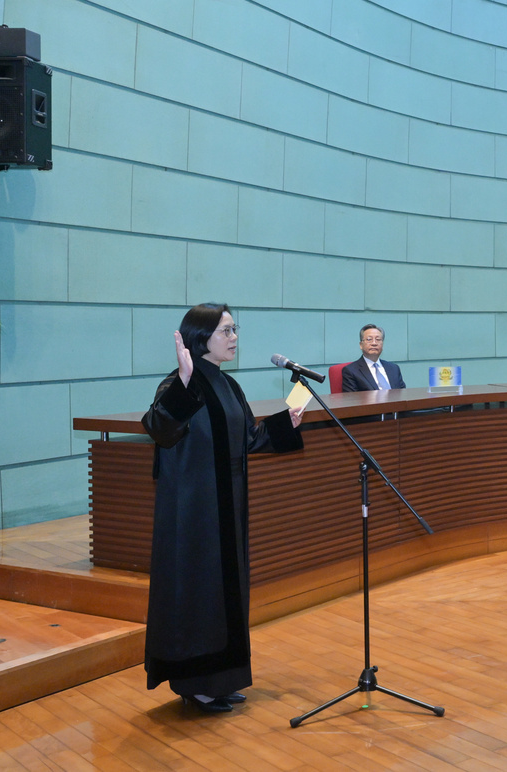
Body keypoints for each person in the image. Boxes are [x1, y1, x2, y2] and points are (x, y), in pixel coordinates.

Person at [142, 303, 304, 714]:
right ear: (201, 337)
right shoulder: (179, 382)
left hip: (227, 507)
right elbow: (159, 428)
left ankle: (222, 679)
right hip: (193, 513)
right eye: (226, 331)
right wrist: (183, 382)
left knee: (226, 593)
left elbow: (248, 438)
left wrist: (285, 423)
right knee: (199, 593)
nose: (234, 338)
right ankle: (195, 684)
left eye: (234, 330)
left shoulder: (228, 384)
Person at [340, 324, 406, 392]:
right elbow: (352, 398)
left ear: (382, 344)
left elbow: (403, 394)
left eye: (378, 339)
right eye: (369, 339)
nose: (374, 343)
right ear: (361, 345)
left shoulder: (394, 368)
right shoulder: (351, 371)